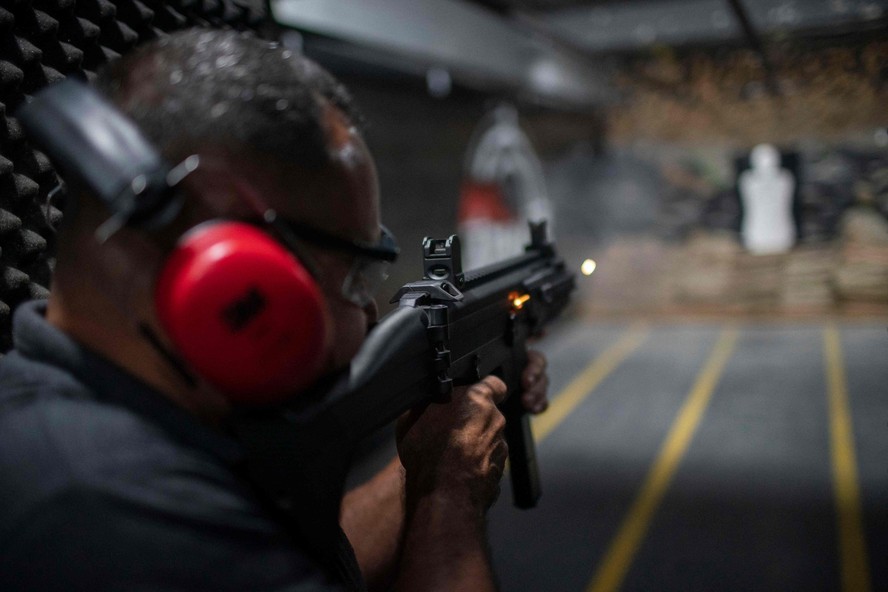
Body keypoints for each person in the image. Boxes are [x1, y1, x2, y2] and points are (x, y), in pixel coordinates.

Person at [0, 29, 550, 592]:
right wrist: (452, 493)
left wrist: (430, 460)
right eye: (351, 273)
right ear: (230, 268)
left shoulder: (98, 426)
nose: (363, 315)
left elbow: (309, 571)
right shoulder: (107, 510)